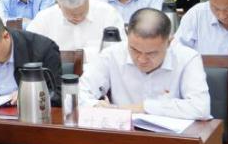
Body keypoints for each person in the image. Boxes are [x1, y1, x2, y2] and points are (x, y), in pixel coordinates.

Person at [79, 8, 211, 119]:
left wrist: (144, 107)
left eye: (151, 53)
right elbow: (78, 93)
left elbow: (201, 108)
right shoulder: (111, 54)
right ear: (127, 36)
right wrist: (95, 106)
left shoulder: (187, 58)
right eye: (134, 50)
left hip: (173, 138)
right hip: (123, 135)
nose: (142, 59)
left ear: (169, 43)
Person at [27, 0, 124, 67]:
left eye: (82, 12)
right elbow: (28, 49)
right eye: (72, 14)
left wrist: (84, 55)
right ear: (59, 5)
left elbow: (122, 48)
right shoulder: (45, 18)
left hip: (102, 72)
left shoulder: (107, 13)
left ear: (88, 0)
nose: (78, 17)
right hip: (57, 74)